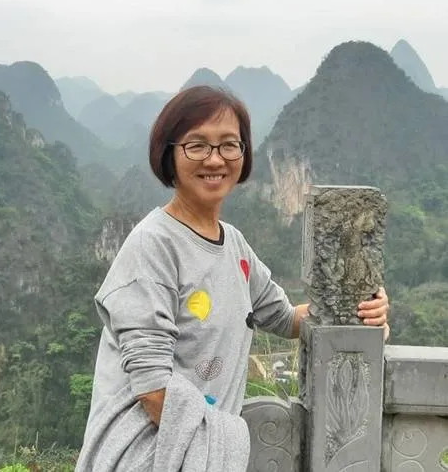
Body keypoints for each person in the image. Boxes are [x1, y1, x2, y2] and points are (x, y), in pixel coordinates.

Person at [75, 86, 389, 471]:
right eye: (197, 145)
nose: (215, 159)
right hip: (147, 457)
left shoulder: (235, 246)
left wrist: (359, 308)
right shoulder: (153, 245)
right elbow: (153, 390)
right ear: (169, 154)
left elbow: (285, 317)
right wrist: (223, 444)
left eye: (228, 145)